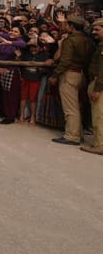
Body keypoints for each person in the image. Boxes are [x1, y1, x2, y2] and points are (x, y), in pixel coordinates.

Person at [48, 15, 94, 145]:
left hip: (69, 74)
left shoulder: (70, 40)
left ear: (72, 26)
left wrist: (55, 75)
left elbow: (65, 61)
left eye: (68, 25)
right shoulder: (88, 40)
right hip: (81, 73)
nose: (66, 27)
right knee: (76, 106)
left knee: (70, 108)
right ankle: (78, 133)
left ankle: (72, 136)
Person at [83, 18, 103, 155]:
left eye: (97, 29)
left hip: (98, 83)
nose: (94, 32)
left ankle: (99, 145)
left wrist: (97, 89)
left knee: (98, 116)